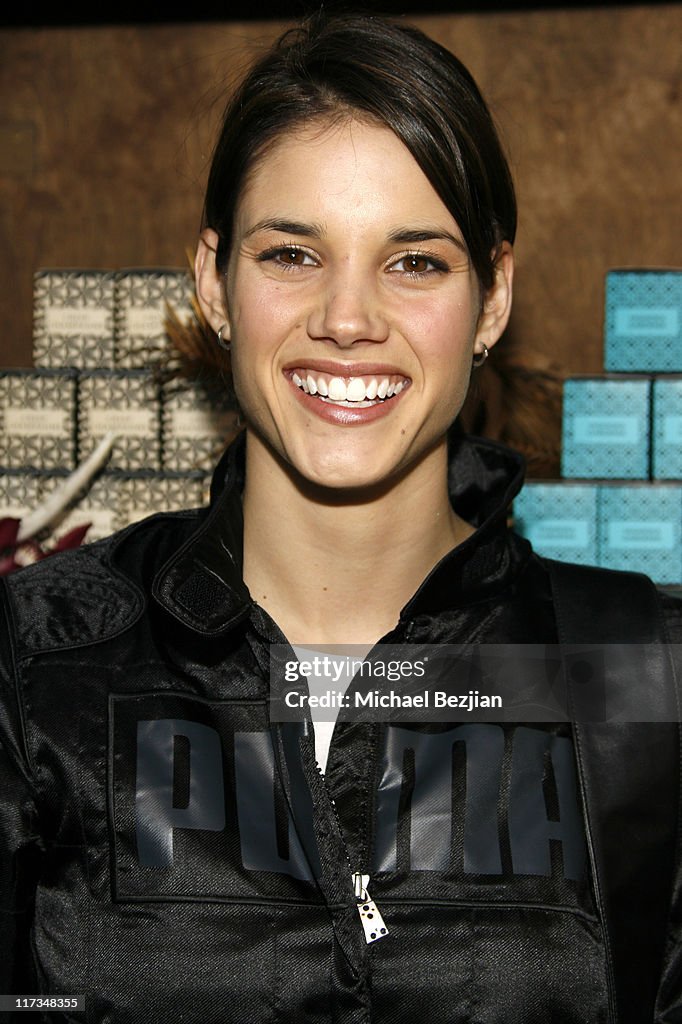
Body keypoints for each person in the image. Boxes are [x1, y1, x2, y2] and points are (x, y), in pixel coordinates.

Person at [1, 9, 680, 1023]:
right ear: (213, 282)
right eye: (292, 254)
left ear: (493, 297)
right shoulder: (34, 665)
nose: (348, 319)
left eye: (415, 262)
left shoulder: (644, 670)